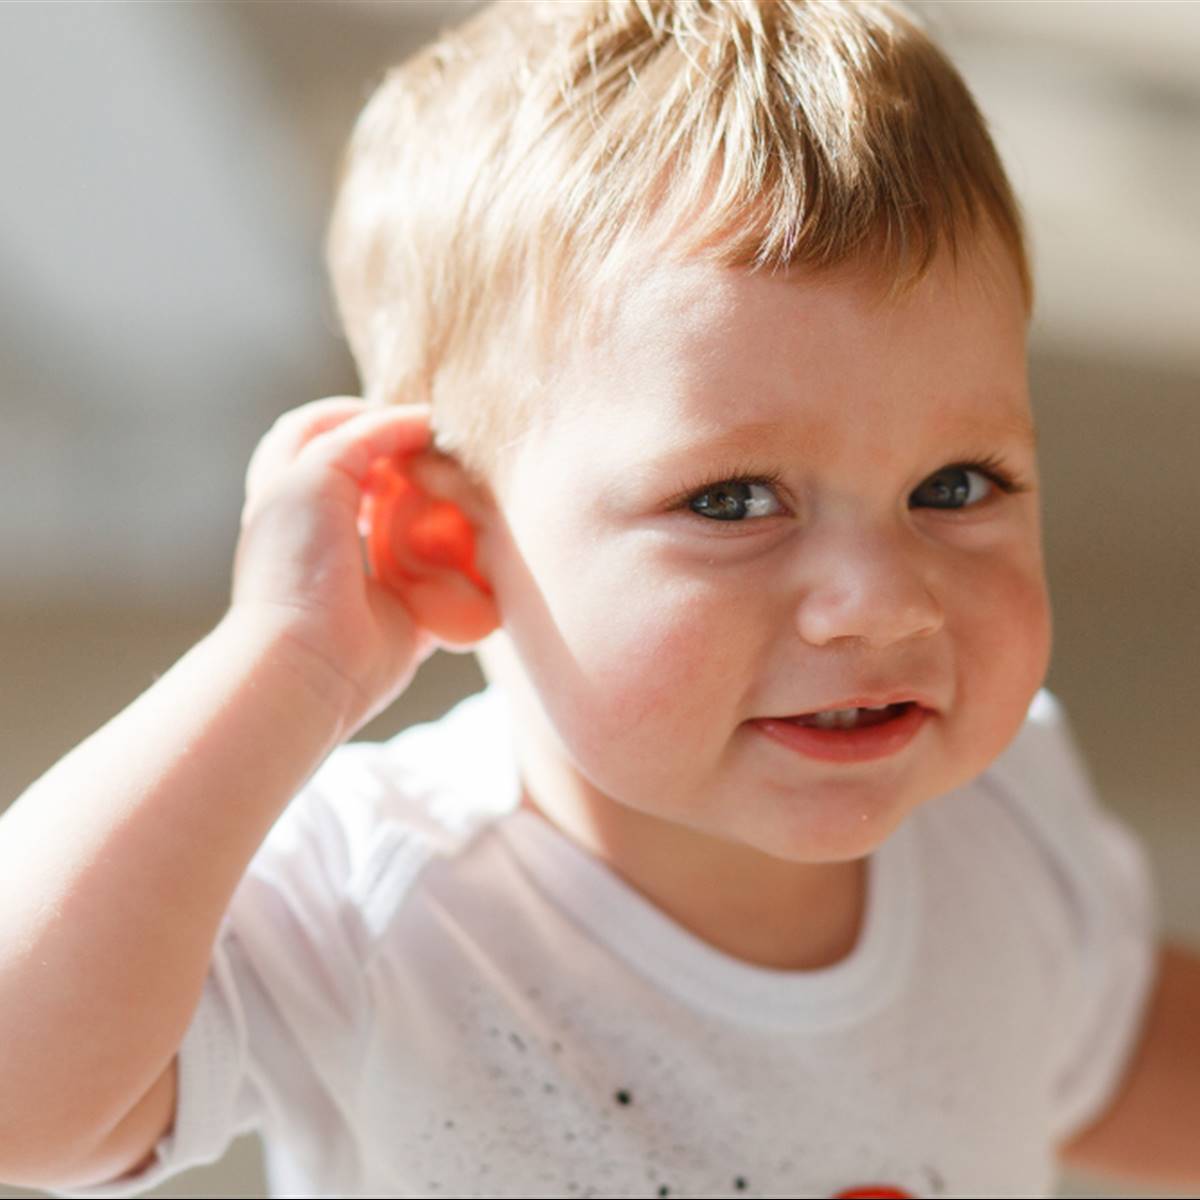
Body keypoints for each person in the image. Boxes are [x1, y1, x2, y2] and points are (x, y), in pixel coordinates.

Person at [2, 2, 1197, 1197]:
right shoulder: (380, 905)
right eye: (734, 501)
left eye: (955, 483)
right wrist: (285, 663)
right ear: (450, 544)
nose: (881, 604)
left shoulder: (1004, 825)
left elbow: (1111, 1056)